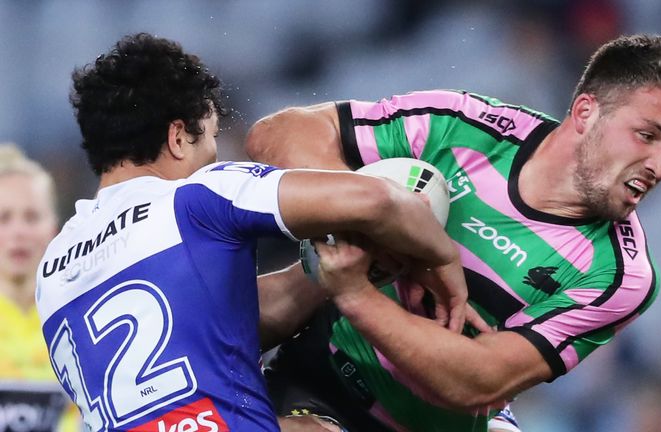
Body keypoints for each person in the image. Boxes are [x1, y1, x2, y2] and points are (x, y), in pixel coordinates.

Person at [245, 34, 661, 431]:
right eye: (647, 135)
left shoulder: (622, 274)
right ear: (586, 112)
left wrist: (354, 291)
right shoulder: (464, 126)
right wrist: (385, 221)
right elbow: (277, 134)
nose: (660, 166)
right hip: (321, 376)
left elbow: (480, 381)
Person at [35, 33, 470, 432]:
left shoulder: (52, 268)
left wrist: (338, 271)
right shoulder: (196, 197)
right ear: (178, 137)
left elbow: (211, 326)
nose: (212, 156)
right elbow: (380, 201)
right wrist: (442, 257)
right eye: (210, 139)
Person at [0, 144, 79, 432]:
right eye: (4, 218)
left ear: (54, 230)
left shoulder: (77, 320)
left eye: (31, 217)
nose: (18, 232)